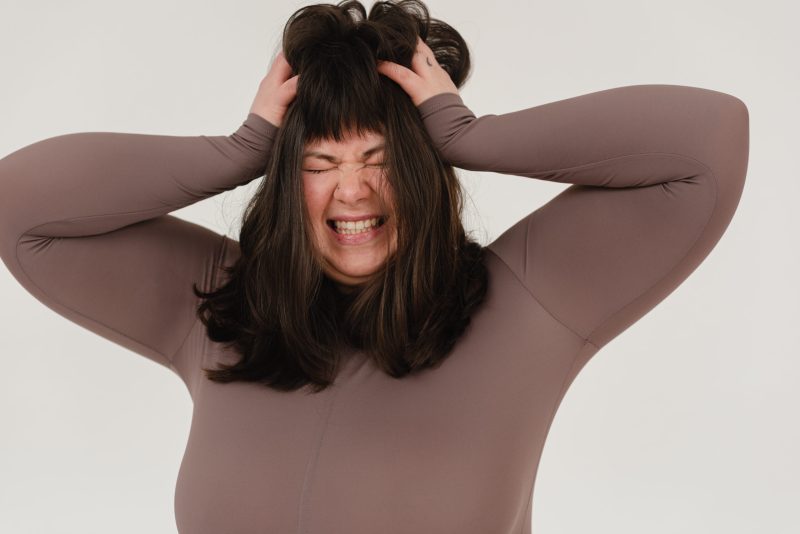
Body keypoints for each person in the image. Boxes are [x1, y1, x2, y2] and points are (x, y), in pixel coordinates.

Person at [0, 1, 748, 532]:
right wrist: (239, 150)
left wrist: (469, 134)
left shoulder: (527, 302)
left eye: (382, 160)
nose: (352, 189)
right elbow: (21, 207)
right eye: (321, 161)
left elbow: (707, 142)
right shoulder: (218, 311)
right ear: (288, 180)